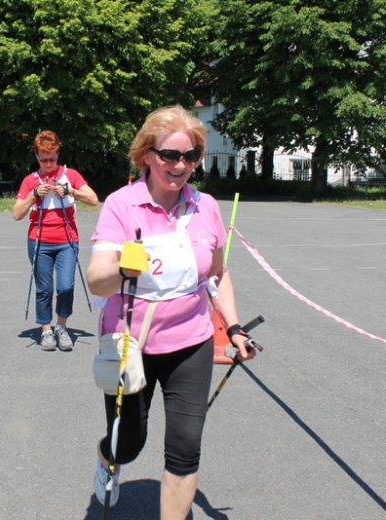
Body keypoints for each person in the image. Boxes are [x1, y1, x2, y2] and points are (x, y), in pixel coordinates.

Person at [86, 105, 257, 518]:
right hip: (131, 344)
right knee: (129, 443)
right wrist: (124, 267)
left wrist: (233, 327)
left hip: (191, 343)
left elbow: (217, 274)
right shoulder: (121, 205)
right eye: (169, 155)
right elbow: (96, 279)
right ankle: (108, 456)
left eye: (190, 156)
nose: (180, 165)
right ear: (147, 154)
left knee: (184, 447)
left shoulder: (207, 207)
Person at [13, 130, 99, 351]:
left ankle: (62, 327)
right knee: (44, 289)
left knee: (65, 286)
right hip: (39, 241)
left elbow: (93, 200)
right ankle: (46, 331)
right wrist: (34, 194)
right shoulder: (30, 180)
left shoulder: (70, 175)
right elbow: (17, 214)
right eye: (43, 159)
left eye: (52, 158)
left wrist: (70, 190)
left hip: (67, 240)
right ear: (36, 156)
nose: (49, 163)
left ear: (58, 153)